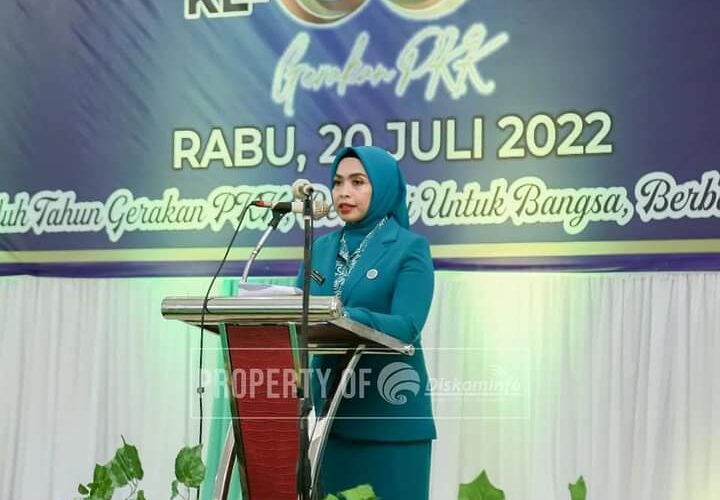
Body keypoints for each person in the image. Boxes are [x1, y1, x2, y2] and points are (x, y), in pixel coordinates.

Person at [295, 145, 436, 500]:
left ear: (384, 187)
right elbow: (296, 311)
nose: (344, 192)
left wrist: (343, 315)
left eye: (358, 182)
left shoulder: (409, 247)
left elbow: (407, 326)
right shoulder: (320, 248)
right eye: (338, 182)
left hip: (390, 421)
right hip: (329, 422)